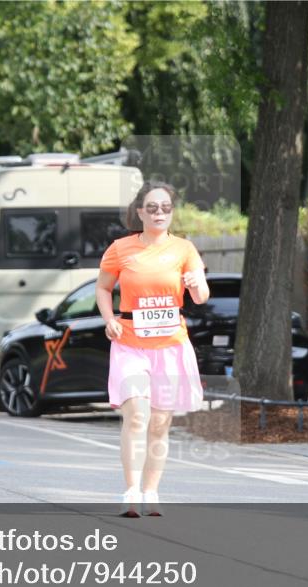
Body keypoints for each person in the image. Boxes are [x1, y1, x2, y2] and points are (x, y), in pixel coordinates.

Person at [96, 181, 209, 517]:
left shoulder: (185, 250)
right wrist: (109, 318)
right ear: (141, 211)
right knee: (137, 417)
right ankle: (131, 491)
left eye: (166, 207)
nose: (159, 213)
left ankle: (151, 492)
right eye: (153, 207)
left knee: (159, 423)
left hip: (170, 346)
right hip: (130, 343)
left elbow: (202, 296)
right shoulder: (120, 249)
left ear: (171, 212)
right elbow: (103, 288)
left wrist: (196, 284)